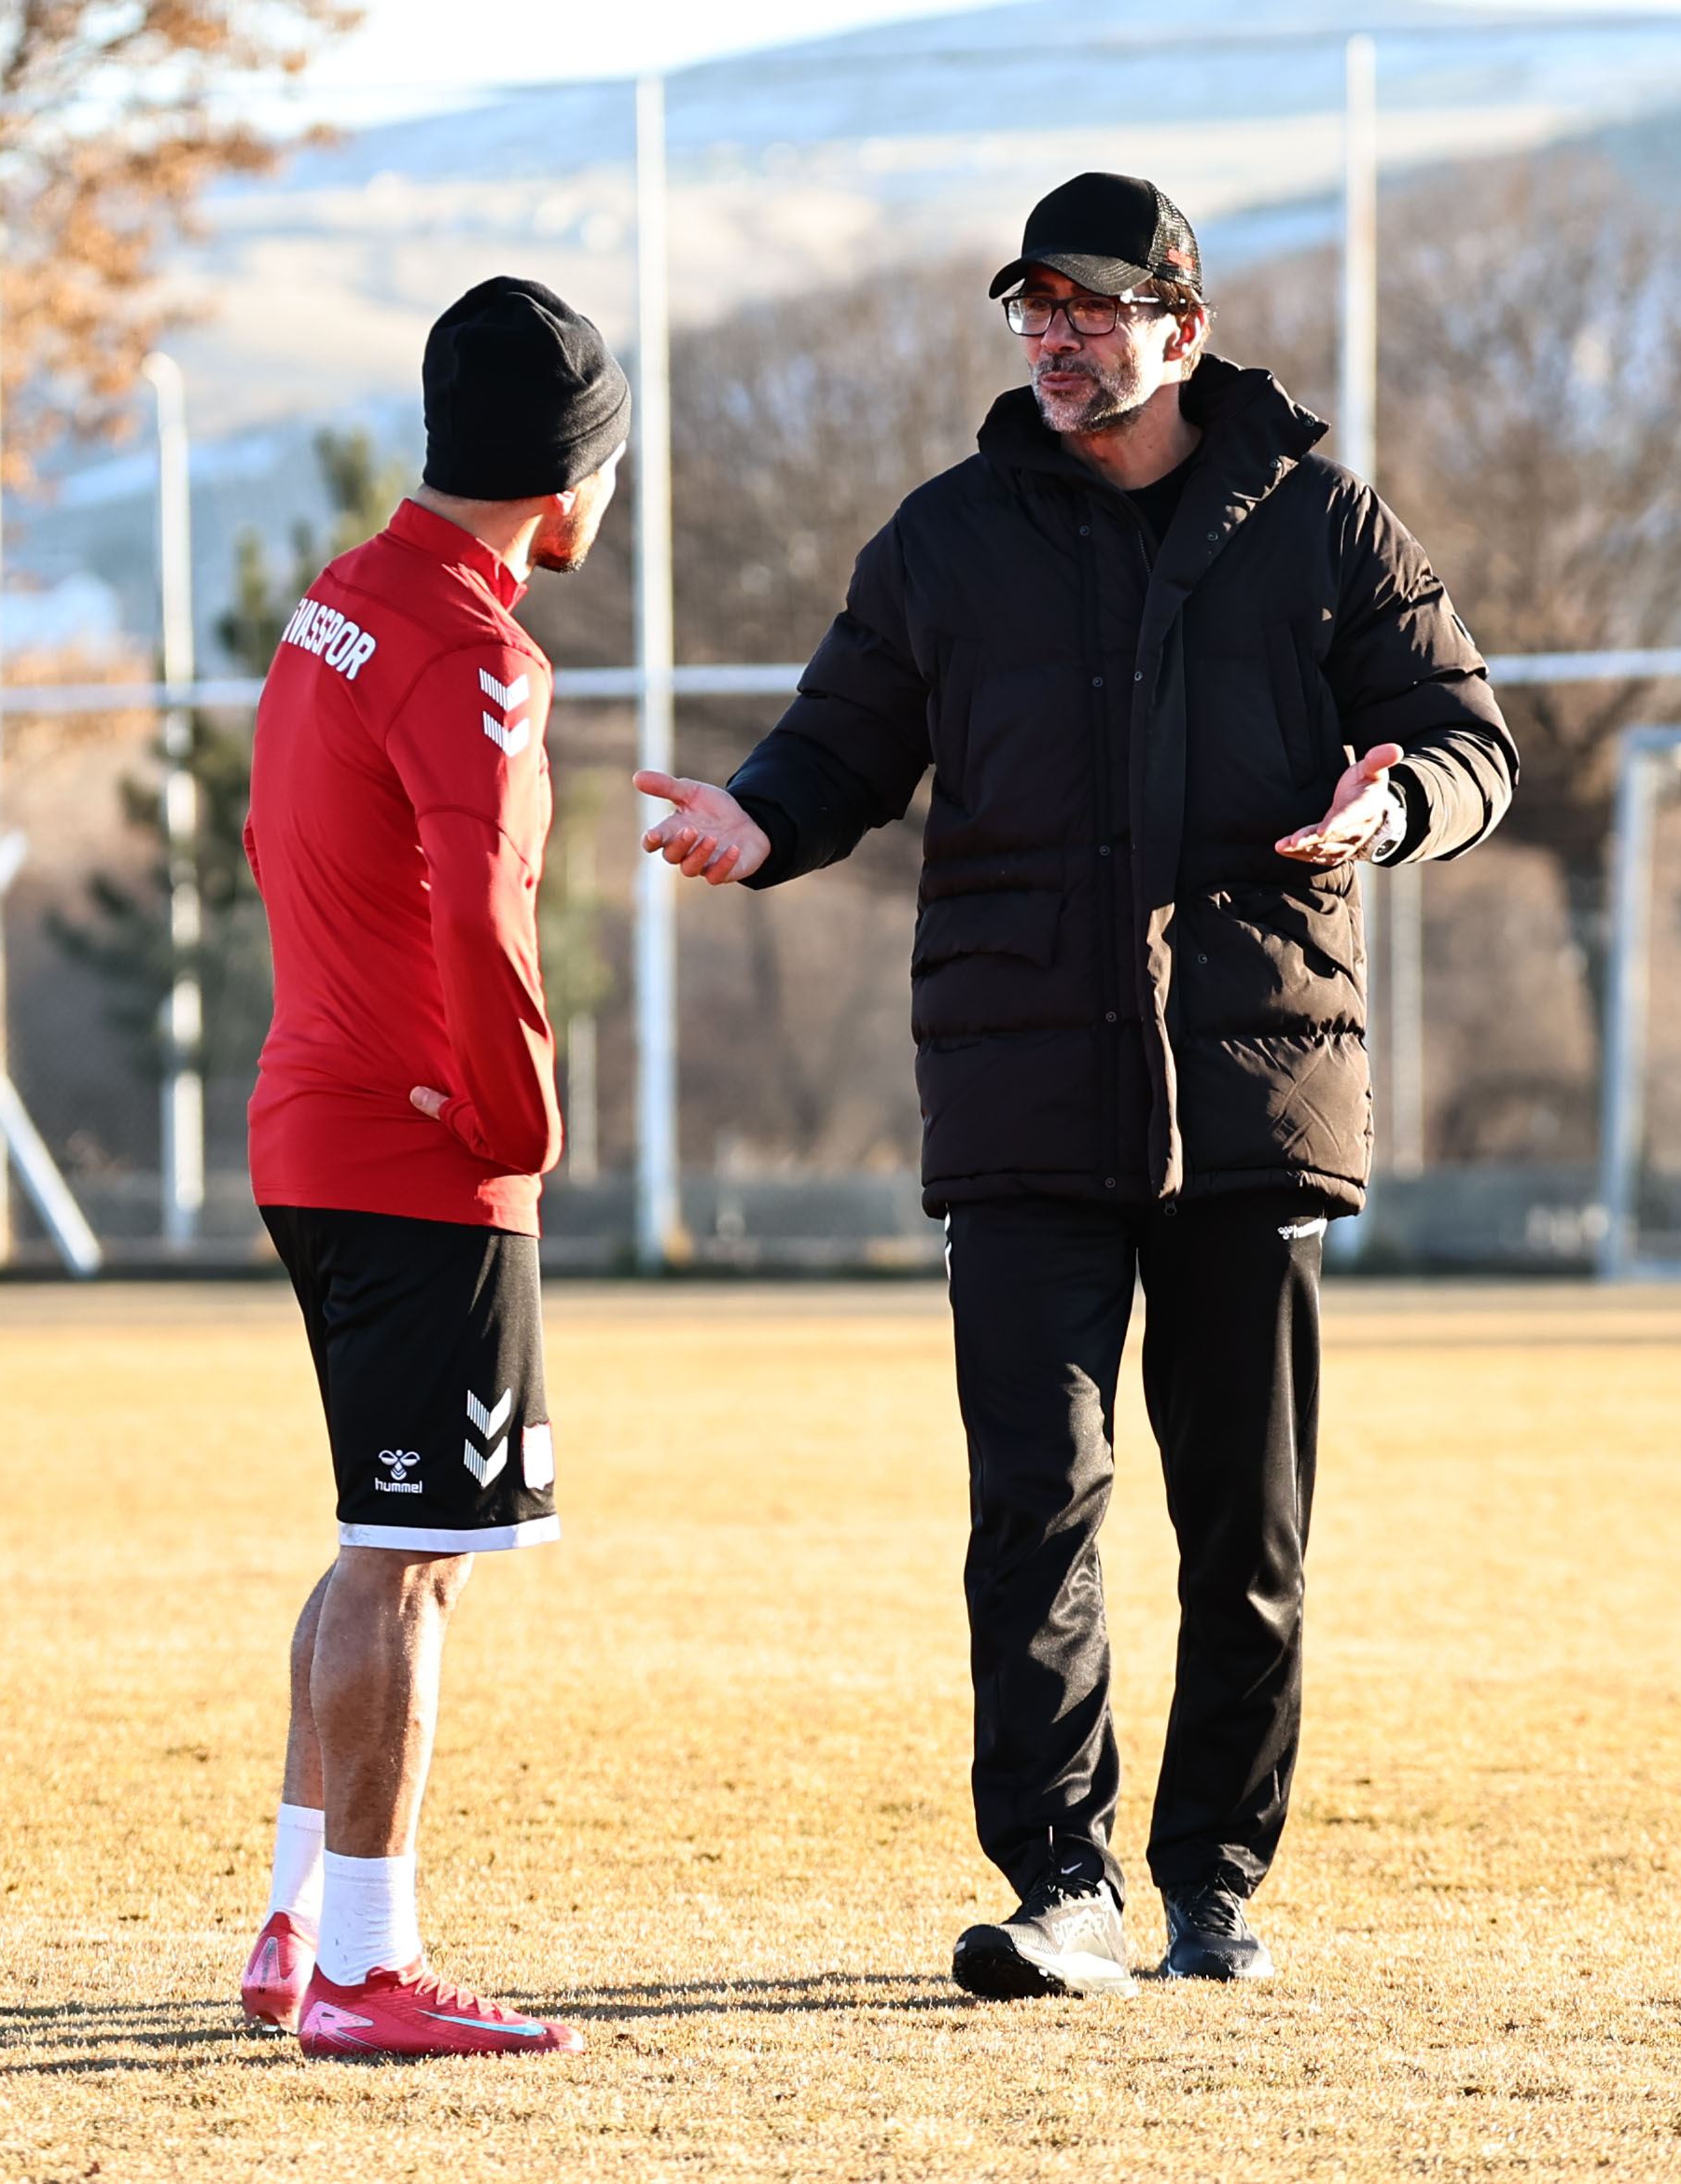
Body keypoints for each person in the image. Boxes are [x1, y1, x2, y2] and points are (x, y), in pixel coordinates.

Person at [635, 173, 1517, 1998]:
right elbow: (840, 738)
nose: (1051, 335)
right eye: (1030, 306)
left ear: (1178, 326)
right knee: (1031, 1501)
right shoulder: (941, 542)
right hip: (1021, 1099)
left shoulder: (1326, 528)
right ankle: (1062, 1886)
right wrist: (757, 814)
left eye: (1090, 306)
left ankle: (1207, 1885)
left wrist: (1396, 803)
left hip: (1252, 1094)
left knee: (1242, 1536)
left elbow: (1463, 734)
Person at [237, 275, 628, 2059]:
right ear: (567, 487)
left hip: (311, 1119)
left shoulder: (338, 599)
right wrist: (516, 1112)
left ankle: (298, 1912)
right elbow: (481, 902)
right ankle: (364, 1972)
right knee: (411, 1553)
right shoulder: (481, 649)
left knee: (378, 1537)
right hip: (414, 1153)